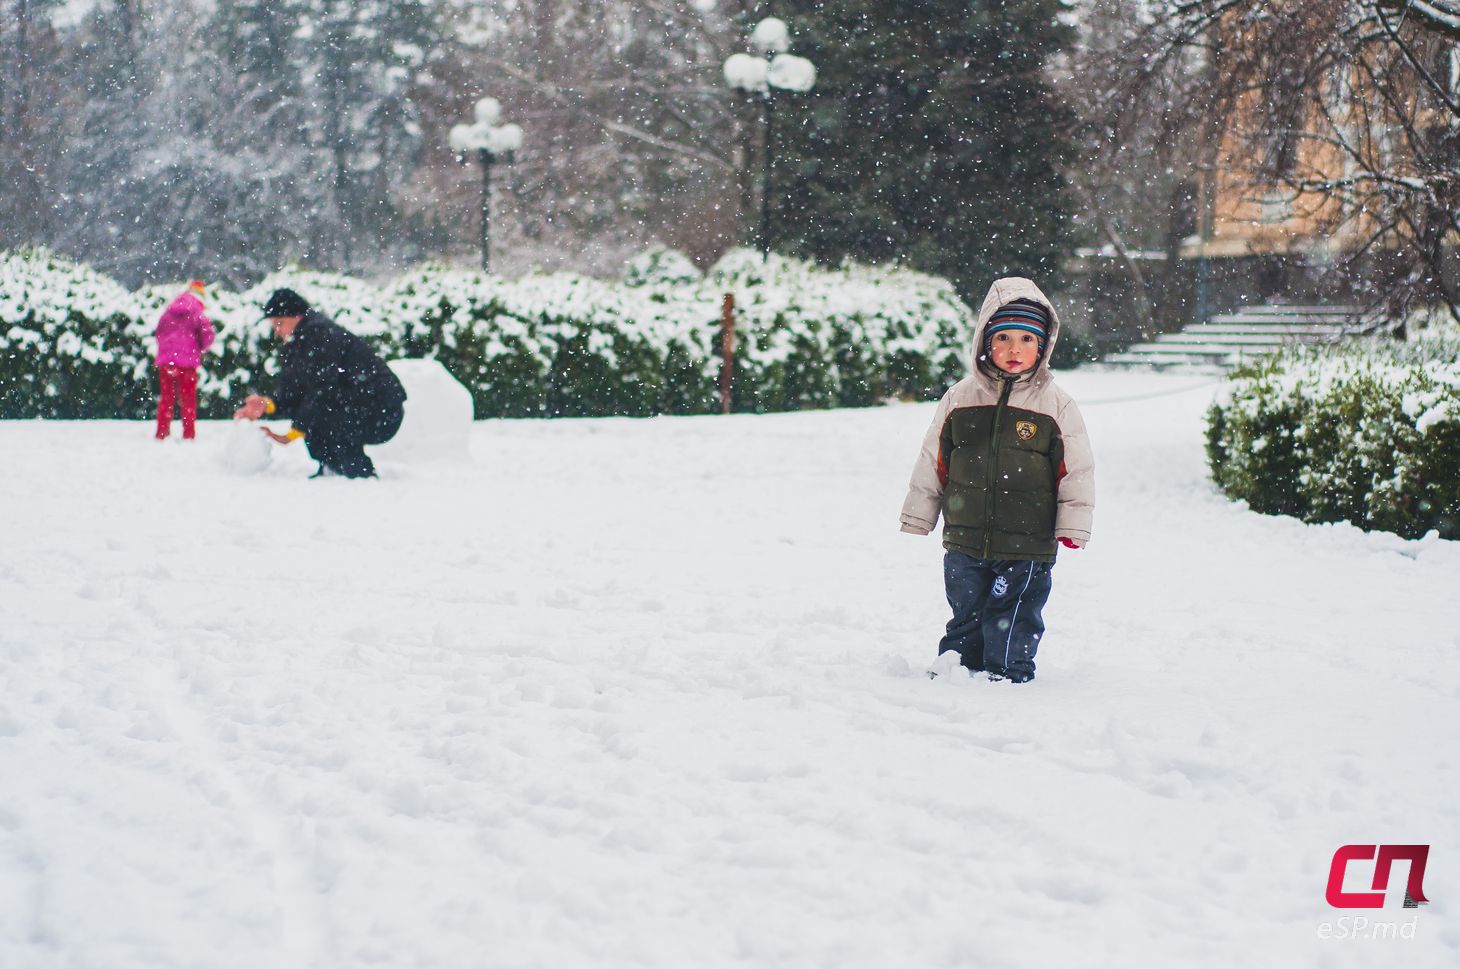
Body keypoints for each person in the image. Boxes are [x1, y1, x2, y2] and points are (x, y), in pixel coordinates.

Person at [900, 277, 1095, 684]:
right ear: (985, 340)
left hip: (1027, 542)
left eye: (1026, 338)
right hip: (964, 537)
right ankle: (957, 665)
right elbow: (934, 459)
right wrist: (920, 514)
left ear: (1043, 345)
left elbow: (1075, 469)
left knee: (1014, 613)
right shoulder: (960, 398)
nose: (1013, 349)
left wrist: (1073, 524)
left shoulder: (1055, 405)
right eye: (1002, 336)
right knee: (966, 608)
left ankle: (1007, 672)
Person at [232, 288, 406, 479]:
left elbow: (322, 389)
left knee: (324, 417)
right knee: (318, 418)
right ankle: (333, 470)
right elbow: (296, 390)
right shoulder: (300, 342)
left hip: (382, 409)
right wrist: (269, 405)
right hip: (361, 406)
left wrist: (293, 433)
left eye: (280, 323)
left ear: (296, 316)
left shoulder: (321, 335)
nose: (277, 330)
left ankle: (358, 475)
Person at [153, 279, 216, 440]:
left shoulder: (169, 310)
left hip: (167, 362)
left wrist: (167, 351)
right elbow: (208, 335)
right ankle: (188, 433)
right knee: (188, 399)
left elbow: (159, 332)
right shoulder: (197, 312)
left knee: (167, 398)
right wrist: (199, 348)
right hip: (187, 363)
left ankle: (162, 432)